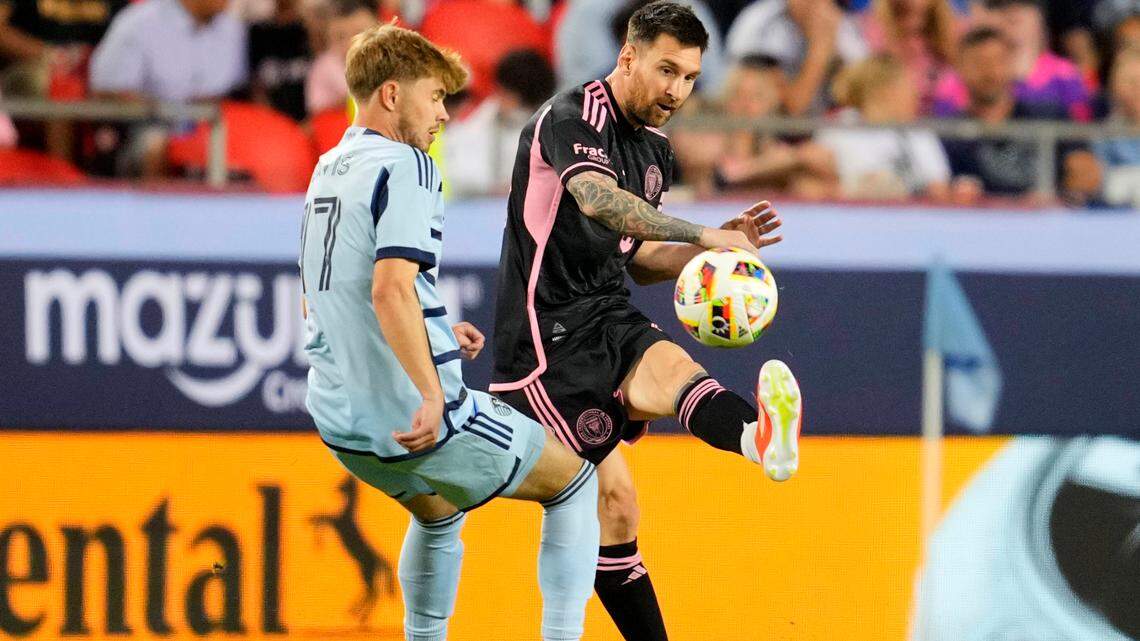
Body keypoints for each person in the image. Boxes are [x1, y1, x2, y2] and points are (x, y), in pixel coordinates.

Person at [490, 3, 803, 639]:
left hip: (607, 310)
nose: (677, 91)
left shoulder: (654, 150)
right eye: (666, 70)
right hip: (544, 337)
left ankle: (758, 440)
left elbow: (638, 260)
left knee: (677, 371)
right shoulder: (572, 114)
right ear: (628, 56)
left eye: (689, 77)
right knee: (614, 505)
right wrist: (704, 228)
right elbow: (600, 203)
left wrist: (704, 248)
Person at [299, 23, 599, 641]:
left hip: (339, 420)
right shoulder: (408, 163)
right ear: (391, 95)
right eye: (435, 96)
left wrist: (436, 329)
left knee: (438, 516)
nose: (443, 113)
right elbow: (388, 289)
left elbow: (324, 296)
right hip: (415, 413)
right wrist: (432, 390)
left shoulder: (331, 163)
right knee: (576, 481)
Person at [816, 54, 957, 201]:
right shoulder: (840, 129)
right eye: (907, 87)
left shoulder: (918, 131)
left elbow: (938, 185)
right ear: (884, 91)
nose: (916, 94)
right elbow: (831, 186)